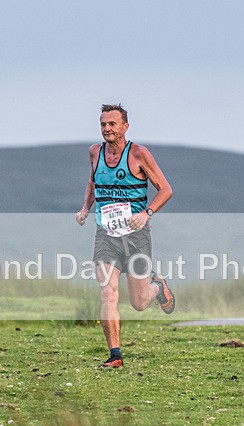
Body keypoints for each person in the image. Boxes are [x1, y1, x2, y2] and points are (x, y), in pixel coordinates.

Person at [75, 104, 175, 368]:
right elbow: (93, 182)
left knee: (139, 303)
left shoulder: (139, 154)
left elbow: (165, 190)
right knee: (108, 293)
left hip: (136, 237)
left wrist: (146, 213)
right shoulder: (95, 152)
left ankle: (158, 286)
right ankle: (115, 356)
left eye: (112, 124)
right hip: (106, 235)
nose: (107, 129)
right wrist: (85, 208)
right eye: (103, 124)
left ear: (125, 126)